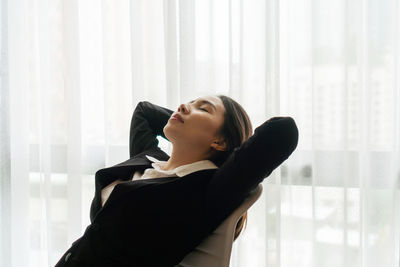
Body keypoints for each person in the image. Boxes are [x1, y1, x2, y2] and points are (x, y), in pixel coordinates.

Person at [55, 94, 299, 267]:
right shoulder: (150, 159)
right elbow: (144, 111)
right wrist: (186, 115)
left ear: (221, 142)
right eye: (189, 102)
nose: (183, 106)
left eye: (203, 109)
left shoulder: (208, 189)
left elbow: (283, 131)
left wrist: (189, 120)